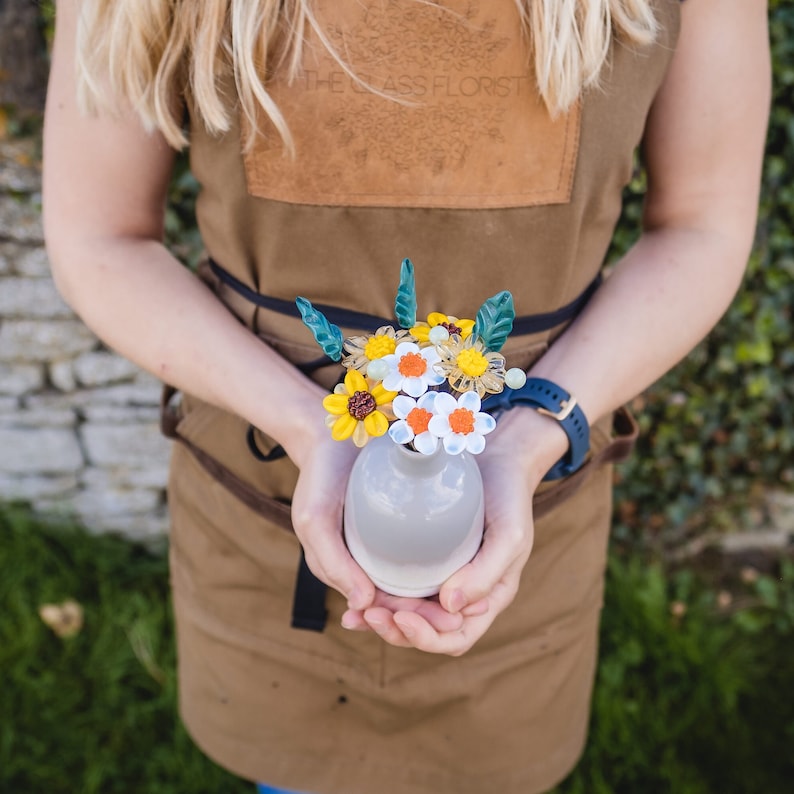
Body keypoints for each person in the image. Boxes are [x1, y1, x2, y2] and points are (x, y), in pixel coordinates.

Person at [42, 1, 770, 792]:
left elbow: (701, 224)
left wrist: (531, 436)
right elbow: (99, 235)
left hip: (529, 500)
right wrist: (310, 428)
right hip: (260, 492)